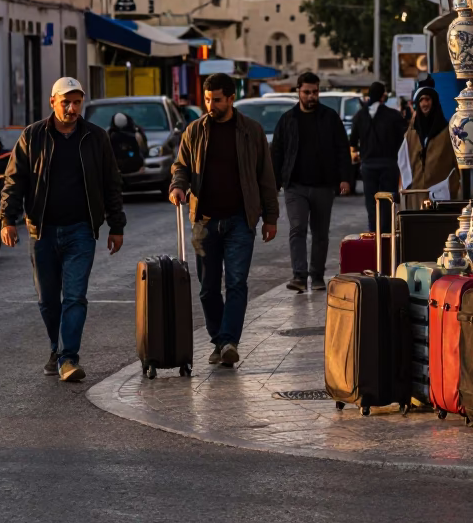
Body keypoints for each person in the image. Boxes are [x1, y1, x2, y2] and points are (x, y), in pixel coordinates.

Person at [0, 77, 126, 383]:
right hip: (42, 231)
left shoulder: (95, 137)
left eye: (77, 102)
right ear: (53, 102)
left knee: (75, 296)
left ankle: (69, 358)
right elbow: (14, 181)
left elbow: (112, 183)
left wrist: (116, 224)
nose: (71, 108)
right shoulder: (33, 136)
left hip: (81, 230)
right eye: (65, 102)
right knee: (47, 300)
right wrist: (7, 219)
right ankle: (56, 348)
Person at [170, 73, 279, 368]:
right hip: (203, 223)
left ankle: (229, 341)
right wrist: (178, 186)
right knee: (207, 288)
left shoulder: (251, 132)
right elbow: (181, 165)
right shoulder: (194, 131)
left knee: (236, 282)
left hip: (240, 221)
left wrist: (270, 217)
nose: (210, 105)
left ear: (231, 99)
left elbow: (265, 178)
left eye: (216, 100)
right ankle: (218, 340)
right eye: (207, 99)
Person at [271, 71, 351, 294]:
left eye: (315, 92)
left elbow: (341, 149)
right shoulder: (287, 120)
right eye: (307, 92)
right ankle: (299, 275)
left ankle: (316, 276)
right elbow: (276, 153)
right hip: (295, 186)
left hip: (324, 185)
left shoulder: (330, 117)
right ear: (298, 92)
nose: (311, 96)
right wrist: (274, 182)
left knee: (320, 233)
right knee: (297, 228)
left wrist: (345, 178)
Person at [350, 81, 406, 234]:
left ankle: (374, 232)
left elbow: (353, 141)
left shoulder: (359, 116)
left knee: (371, 201)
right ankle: (386, 233)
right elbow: (403, 140)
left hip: (368, 165)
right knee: (387, 201)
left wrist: (357, 155)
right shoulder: (393, 115)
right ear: (383, 96)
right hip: (389, 165)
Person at [397, 78, 459, 206]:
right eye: (421, 100)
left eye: (428, 99)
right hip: (415, 195)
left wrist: (452, 188)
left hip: (441, 196)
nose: (424, 104)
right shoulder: (411, 134)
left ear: (434, 102)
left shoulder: (447, 132)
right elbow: (403, 164)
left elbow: (457, 166)